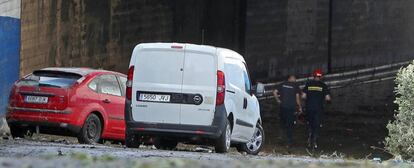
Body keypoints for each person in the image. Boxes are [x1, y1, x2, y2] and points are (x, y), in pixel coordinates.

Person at [302, 69, 331, 150]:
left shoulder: (308, 84)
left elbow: (303, 96)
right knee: (317, 124)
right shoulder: (323, 85)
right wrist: (328, 101)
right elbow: (328, 98)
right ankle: (315, 141)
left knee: (310, 123)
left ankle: (309, 137)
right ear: (320, 76)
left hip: (309, 107)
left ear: (313, 76)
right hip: (318, 108)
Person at [273, 75, 302, 147]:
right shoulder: (295, 86)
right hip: (291, 108)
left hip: (282, 107)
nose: (295, 80)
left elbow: (274, 92)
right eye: (295, 78)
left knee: (282, 122)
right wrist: (299, 107)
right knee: (290, 125)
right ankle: (289, 141)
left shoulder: (282, 84)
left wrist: (278, 100)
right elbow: (297, 97)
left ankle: (280, 137)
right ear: (291, 78)